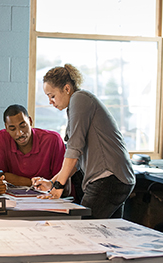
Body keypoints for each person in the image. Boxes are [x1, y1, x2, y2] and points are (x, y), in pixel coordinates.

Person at [31, 64, 135, 219]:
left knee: (83, 227)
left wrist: (59, 185)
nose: (50, 102)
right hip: (116, 179)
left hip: (108, 178)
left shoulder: (80, 99)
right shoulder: (76, 105)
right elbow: (76, 161)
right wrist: (53, 183)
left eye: (52, 96)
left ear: (66, 88)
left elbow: (74, 148)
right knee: (108, 236)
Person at [0, 104, 70, 195]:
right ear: (6, 127)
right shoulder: (2, 138)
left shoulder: (53, 140)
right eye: (12, 129)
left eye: (23, 126)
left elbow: (63, 185)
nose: (19, 133)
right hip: (17, 201)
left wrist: (19, 180)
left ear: (30, 121)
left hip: (51, 200)